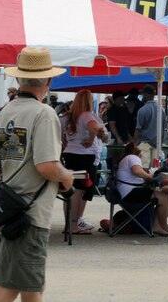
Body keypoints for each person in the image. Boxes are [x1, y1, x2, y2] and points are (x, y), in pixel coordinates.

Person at [0, 46, 74, 301]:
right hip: (28, 217)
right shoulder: (44, 114)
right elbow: (46, 166)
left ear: (18, 79)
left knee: (30, 288)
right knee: (8, 288)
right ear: (48, 81)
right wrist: (67, 177)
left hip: (3, 209)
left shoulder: (3, 113)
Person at [61, 90, 109, 234]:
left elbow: (62, 135)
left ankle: (69, 224)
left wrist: (67, 144)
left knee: (70, 189)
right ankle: (73, 224)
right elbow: (93, 127)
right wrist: (91, 138)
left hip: (70, 154)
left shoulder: (66, 117)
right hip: (85, 156)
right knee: (79, 190)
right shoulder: (87, 115)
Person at [112, 142, 168, 237]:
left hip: (124, 194)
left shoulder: (125, 159)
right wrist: (150, 176)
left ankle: (158, 226)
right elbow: (137, 171)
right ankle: (164, 226)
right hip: (130, 193)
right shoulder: (133, 157)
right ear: (139, 154)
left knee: (160, 196)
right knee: (164, 197)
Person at [133, 85, 161, 168]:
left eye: (143, 94)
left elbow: (138, 129)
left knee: (143, 166)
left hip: (144, 143)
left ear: (146, 94)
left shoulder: (142, 110)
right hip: (157, 143)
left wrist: (134, 143)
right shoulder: (161, 110)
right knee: (156, 168)